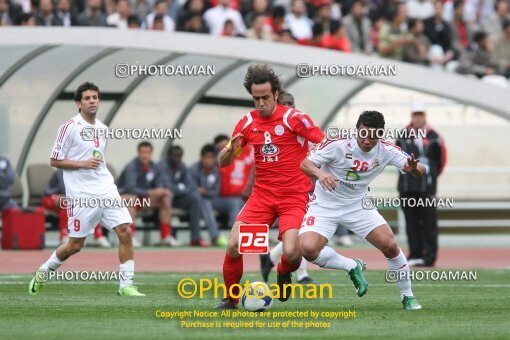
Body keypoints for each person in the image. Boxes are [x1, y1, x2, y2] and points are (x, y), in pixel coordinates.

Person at [215, 64, 325, 309]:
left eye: (265, 97)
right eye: (256, 99)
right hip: (262, 197)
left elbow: (324, 142)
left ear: (276, 94)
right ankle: (231, 299)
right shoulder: (246, 122)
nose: (260, 103)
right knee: (234, 244)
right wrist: (231, 148)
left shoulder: (294, 118)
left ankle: (283, 272)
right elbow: (223, 162)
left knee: (293, 252)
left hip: (293, 196)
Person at [299, 110, 426, 310]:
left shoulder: (387, 150)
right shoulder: (337, 144)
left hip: (358, 205)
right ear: (357, 129)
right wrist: (320, 174)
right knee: (307, 249)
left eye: (373, 135)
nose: (367, 140)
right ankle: (351, 266)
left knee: (389, 244)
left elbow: (421, 170)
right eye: (363, 134)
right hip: (324, 205)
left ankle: (407, 295)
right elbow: (305, 164)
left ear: (380, 135)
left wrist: (415, 168)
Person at [29, 81, 144, 296]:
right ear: (78, 104)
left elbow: (98, 161)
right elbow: (55, 160)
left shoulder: (102, 128)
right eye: (87, 98)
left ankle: (126, 285)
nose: (92, 101)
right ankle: (44, 272)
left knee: (125, 232)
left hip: (106, 188)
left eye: (95, 97)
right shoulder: (69, 127)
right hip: (82, 195)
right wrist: (82, 164)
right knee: (75, 245)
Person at [258, 92, 319, 285]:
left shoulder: (301, 124)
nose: (289, 107)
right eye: (285, 104)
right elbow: (262, 161)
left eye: (291, 103)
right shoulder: (273, 131)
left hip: (304, 186)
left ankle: (270, 258)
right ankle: (300, 275)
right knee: (299, 234)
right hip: (284, 193)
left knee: (299, 234)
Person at [396, 102, 446, 267]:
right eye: (415, 114)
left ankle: (430, 256)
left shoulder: (434, 136)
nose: (418, 118)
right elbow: (395, 157)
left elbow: (441, 161)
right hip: (406, 187)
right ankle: (415, 254)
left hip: (427, 188)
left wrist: (430, 177)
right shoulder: (402, 135)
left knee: (429, 222)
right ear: (411, 116)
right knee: (411, 223)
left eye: (421, 114)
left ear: (425, 115)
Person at [117, 141, 179, 247]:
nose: (145, 155)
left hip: (145, 200)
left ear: (151, 153)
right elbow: (129, 188)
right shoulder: (131, 166)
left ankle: (166, 236)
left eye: (147, 152)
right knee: (132, 199)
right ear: (138, 152)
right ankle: (130, 237)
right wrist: (149, 192)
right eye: (142, 152)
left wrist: (161, 191)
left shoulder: (155, 166)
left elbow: (160, 183)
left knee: (165, 199)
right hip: (125, 199)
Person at [42, 169, 111, 247]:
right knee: (67, 201)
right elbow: (66, 190)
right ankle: (65, 236)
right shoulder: (64, 169)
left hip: (74, 200)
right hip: (51, 198)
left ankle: (98, 236)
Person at [159, 145, 209, 247]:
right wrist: (179, 188)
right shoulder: (162, 166)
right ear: (169, 156)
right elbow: (165, 186)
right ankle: (168, 236)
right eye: (175, 155)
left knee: (195, 198)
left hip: (178, 198)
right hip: (163, 199)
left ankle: (195, 238)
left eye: (179, 155)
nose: (177, 158)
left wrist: (178, 189)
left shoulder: (182, 166)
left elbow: (189, 185)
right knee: (167, 196)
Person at [188, 144, 230, 247]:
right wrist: (202, 192)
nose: (208, 160)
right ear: (201, 157)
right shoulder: (193, 169)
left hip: (213, 199)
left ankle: (235, 235)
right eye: (205, 157)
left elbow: (216, 190)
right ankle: (215, 236)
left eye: (211, 158)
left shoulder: (216, 170)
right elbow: (191, 188)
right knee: (202, 201)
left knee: (236, 201)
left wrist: (205, 191)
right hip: (198, 201)